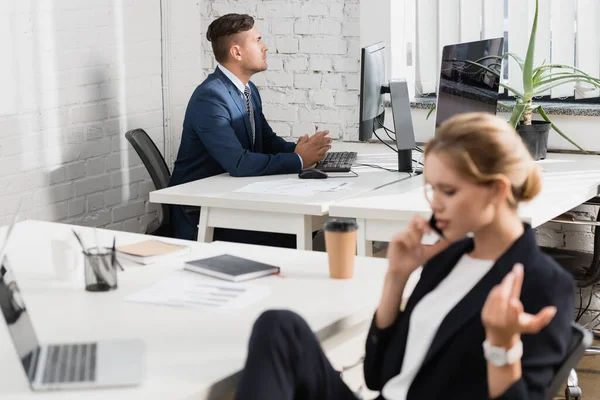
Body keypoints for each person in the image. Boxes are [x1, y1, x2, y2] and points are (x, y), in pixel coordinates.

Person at [235, 113, 575, 400]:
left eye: (448, 191)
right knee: (279, 326)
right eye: (432, 188)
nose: (435, 203)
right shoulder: (449, 257)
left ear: (497, 190)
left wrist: (502, 347)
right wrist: (396, 277)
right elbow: (377, 377)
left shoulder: (544, 284)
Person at [170, 13, 331, 244]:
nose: (265, 47)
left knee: (310, 221)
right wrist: (298, 159)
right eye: (257, 40)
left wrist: (304, 150)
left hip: (233, 195)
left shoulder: (248, 90)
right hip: (203, 209)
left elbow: (267, 142)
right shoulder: (211, 97)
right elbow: (239, 163)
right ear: (237, 52)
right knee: (295, 228)